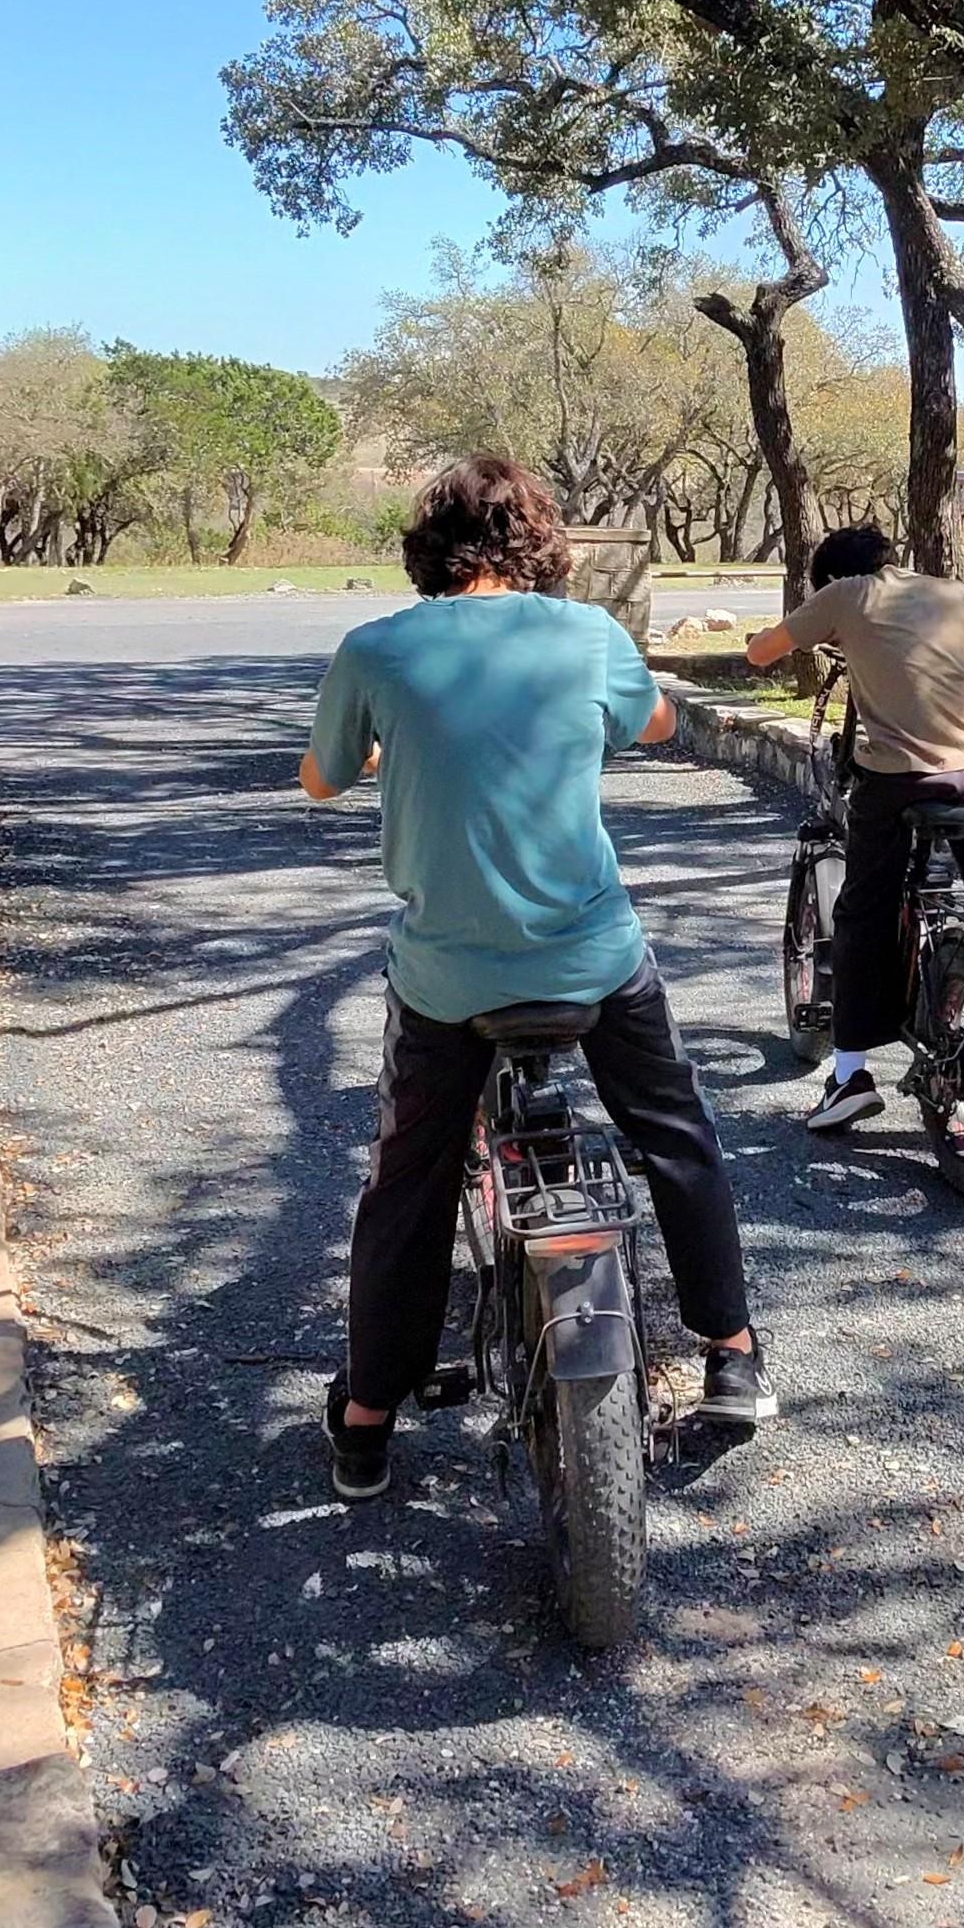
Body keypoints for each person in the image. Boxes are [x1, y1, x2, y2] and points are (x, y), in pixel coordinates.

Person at [301, 454, 768, 1500]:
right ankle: (732, 1353)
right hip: (594, 958)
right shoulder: (590, 637)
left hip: (448, 978)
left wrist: (395, 745)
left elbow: (323, 777)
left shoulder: (375, 650)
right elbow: (654, 724)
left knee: (408, 1183)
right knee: (675, 1132)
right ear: (537, 543)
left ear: (430, 547)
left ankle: (369, 1417)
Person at [743, 523, 964, 1136]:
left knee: (863, 911)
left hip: (899, 782)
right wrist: (963, 718)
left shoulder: (845, 595)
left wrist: (806, 631)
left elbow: (760, 652)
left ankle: (851, 1075)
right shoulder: (957, 593)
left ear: (837, 577)